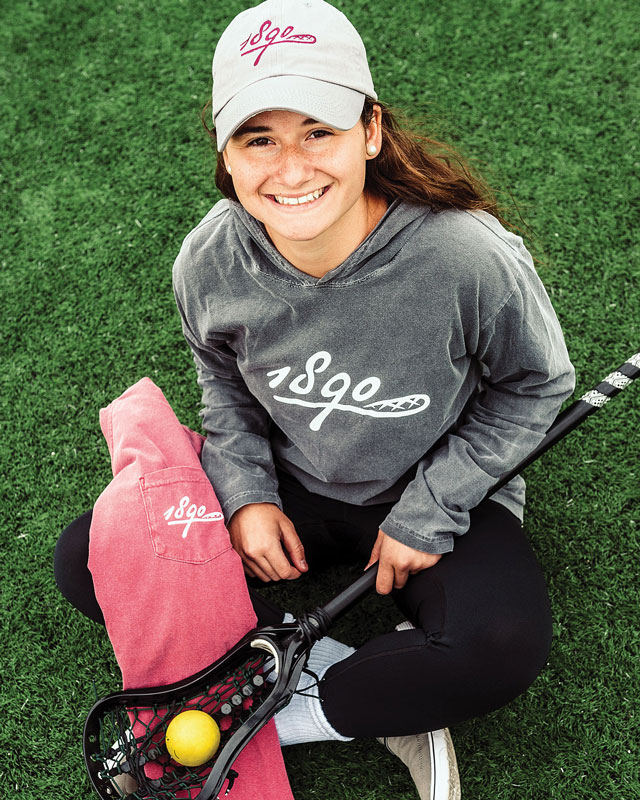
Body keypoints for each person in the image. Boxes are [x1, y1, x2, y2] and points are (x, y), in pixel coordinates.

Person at [55, 0, 575, 797]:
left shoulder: (465, 255)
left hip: (431, 485)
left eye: (318, 133)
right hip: (295, 487)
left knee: (496, 646)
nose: (290, 171)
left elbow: (537, 385)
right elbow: (222, 383)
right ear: (226, 155)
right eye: (259, 139)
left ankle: (293, 705)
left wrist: (428, 512)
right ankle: (369, 686)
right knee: (92, 559)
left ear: (370, 131)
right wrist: (245, 497)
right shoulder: (209, 258)